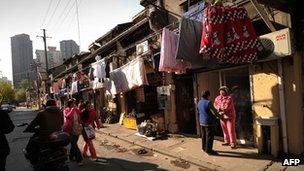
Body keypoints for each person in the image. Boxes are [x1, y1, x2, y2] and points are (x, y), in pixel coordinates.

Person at [25, 99, 63, 164]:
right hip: (57, 136)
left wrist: (28, 128)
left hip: (45, 137)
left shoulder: (42, 113)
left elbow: (33, 124)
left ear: (46, 105)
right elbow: (62, 123)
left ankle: (34, 160)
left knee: (32, 142)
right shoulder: (60, 112)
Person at [197, 90, 223, 155]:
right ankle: (209, 150)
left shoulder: (199, 102)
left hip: (201, 121)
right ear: (208, 95)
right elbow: (214, 112)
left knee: (204, 135)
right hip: (208, 122)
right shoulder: (208, 103)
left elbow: (198, 110)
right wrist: (220, 117)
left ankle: (204, 147)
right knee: (209, 136)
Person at [63, 99, 83, 166]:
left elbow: (80, 114)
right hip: (69, 130)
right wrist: (72, 110)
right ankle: (79, 160)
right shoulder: (66, 110)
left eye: (74, 103)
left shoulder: (76, 109)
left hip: (76, 129)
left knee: (74, 144)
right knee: (74, 144)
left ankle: (71, 156)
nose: (74, 105)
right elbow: (67, 116)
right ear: (69, 104)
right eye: (72, 104)